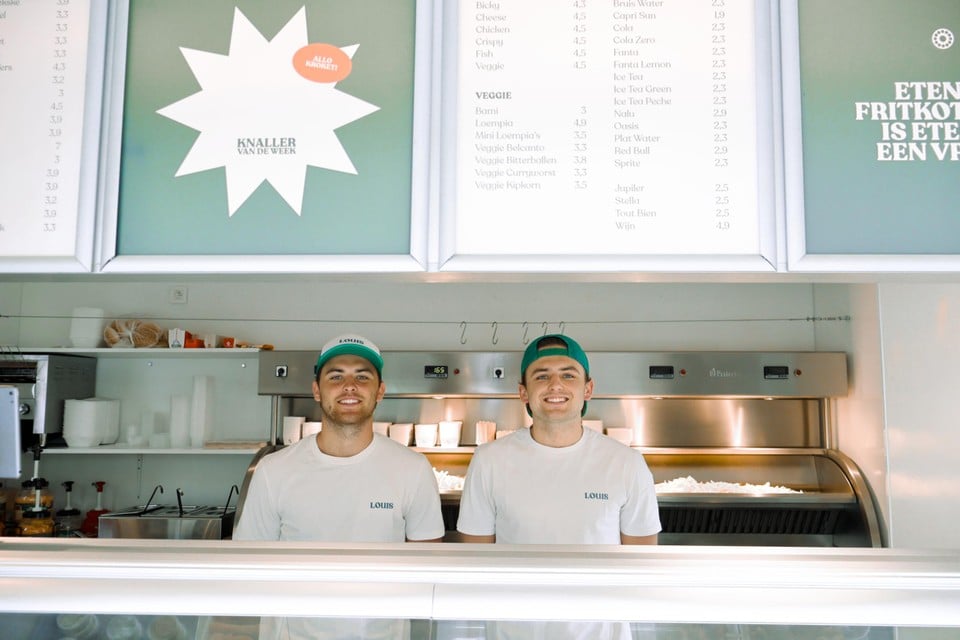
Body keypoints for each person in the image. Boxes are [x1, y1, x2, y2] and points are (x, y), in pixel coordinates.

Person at [234, 334, 444, 639]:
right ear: (317, 390)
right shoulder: (273, 471)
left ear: (380, 391)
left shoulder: (412, 469)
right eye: (336, 376)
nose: (350, 386)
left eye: (362, 376)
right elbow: (249, 570)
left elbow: (428, 574)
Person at [456, 334, 661, 639]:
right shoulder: (489, 461)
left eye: (568, 374)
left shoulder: (626, 463)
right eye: (542, 376)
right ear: (523, 393)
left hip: (599, 632)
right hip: (514, 631)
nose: (555, 385)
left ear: (588, 388)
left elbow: (642, 566)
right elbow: (475, 561)